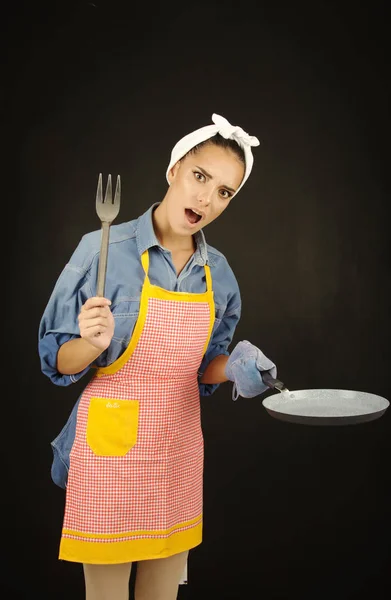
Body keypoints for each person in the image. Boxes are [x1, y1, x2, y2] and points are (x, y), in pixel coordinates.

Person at [38, 113, 278, 600]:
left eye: (224, 191)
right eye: (200, 176)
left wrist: (231, 368)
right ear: (174, 171)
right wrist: (90, 344)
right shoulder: (102, 248)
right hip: (108, 453)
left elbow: (203, 366)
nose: (206, 198)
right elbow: (57, 360)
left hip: (177, 447)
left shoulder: (219, 273)